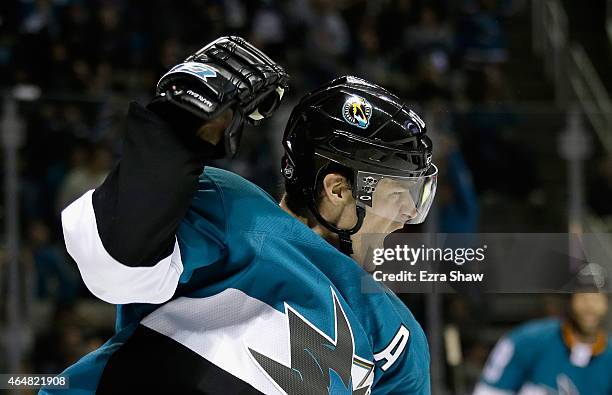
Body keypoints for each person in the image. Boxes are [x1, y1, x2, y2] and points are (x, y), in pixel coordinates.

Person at [43, 36, 436, 394]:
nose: (406, 216)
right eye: (400, 194)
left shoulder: (398, 337)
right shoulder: (235, 209)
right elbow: (113, 265)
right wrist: (176, 136)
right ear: (338, 190)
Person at [473, 292, 612, 395]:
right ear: (570, 300)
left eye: (597, 297)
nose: (589, 306)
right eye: (583, 296)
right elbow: (488, 391)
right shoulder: (528, 340)